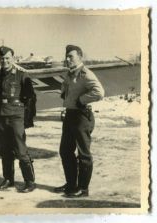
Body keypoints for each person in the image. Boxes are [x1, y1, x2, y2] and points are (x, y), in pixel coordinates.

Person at [54, 45, 105, 198]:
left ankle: (83, 189)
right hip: (70, 116)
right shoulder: (69, 74)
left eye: (71, 56)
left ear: (80, 57)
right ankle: (71, 185)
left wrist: (81, 101)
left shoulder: (85, 74)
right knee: (65, 151)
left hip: (82, 117)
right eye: (66, 57)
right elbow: (66, 92)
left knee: (83, 154)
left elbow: (99, 92)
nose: (67, 59)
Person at [0, 46, 37, 193]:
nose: (4, 61)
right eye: (2, 58)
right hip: (1, 117)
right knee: (4, 150)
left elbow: (31, 99)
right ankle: (8, 179)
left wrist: (27, 119)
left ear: (13, 59)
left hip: (16, 117)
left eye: (7, 58)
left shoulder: (22, 75)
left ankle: (30, 181)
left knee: (21, 150)